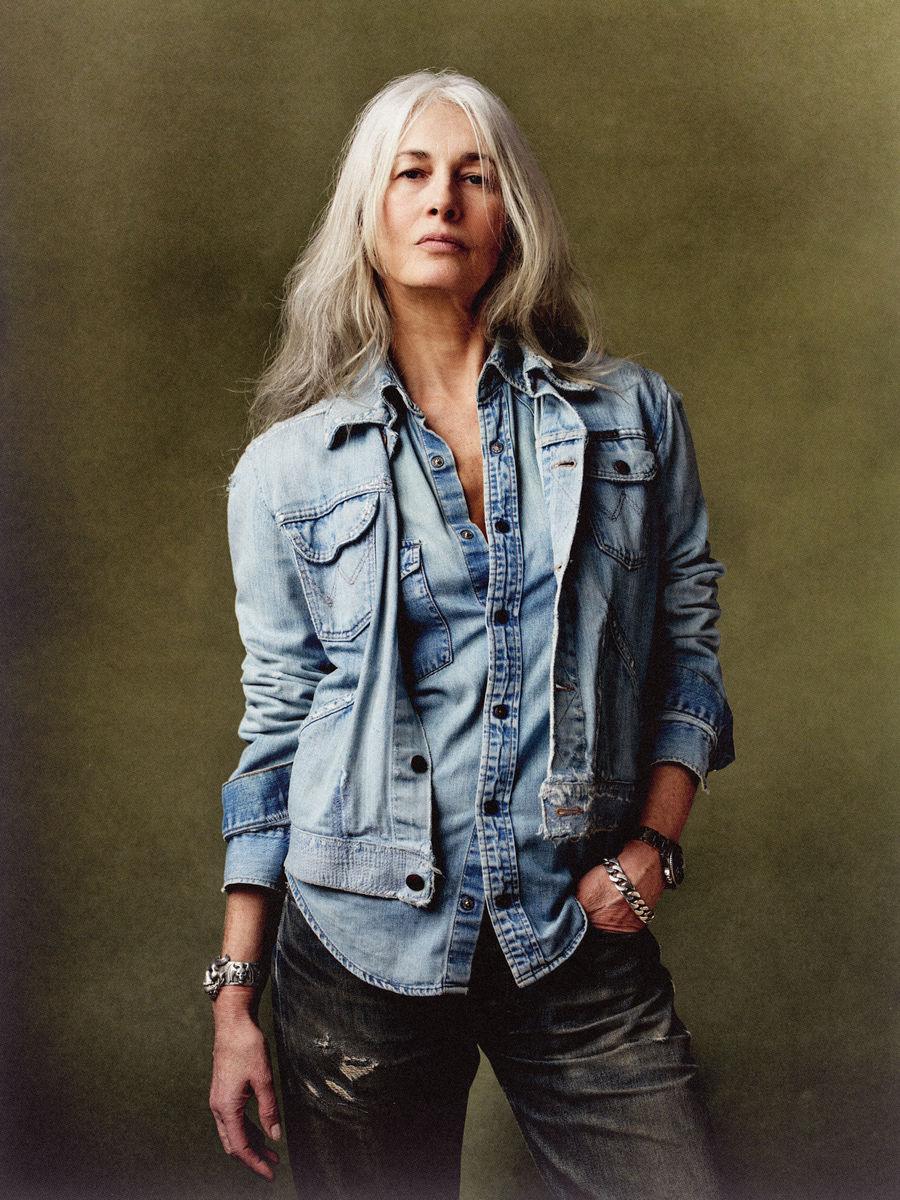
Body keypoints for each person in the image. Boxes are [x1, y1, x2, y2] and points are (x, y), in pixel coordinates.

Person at [206, 70, 734, 1200]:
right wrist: (235, 996)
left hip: (575, 928)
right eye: (411, 174)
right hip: (355, 946)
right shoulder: (284, 471)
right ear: (370, 211)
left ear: (511, 217)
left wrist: (654, 844)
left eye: (473, 175)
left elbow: (687, 646)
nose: (441, 198)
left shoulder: (633, 419)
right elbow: (278, 725)